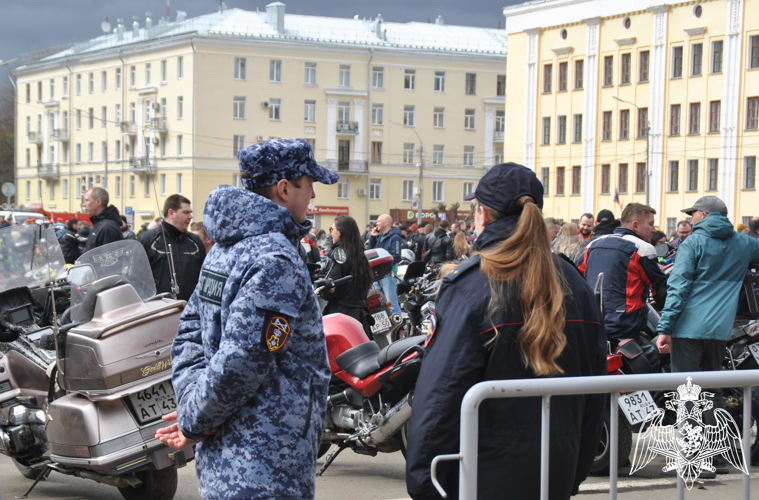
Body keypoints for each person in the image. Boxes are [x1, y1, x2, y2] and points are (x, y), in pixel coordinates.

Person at [406, 162, 606, 500]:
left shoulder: (471, 286)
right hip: (555, 473)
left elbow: (441, 395)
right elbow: (593, 391)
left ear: (483, 215)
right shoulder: (575, 282)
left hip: (484, 478)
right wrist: (574, 471)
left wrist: (426, 482)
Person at [157, 138, 338, 499]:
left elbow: (190, 334)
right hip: (266, 465)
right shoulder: (274, 259)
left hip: (231, 458)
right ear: (284, 189)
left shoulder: (226, 248)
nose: (314, 195)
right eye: (309, 184)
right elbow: (241, 360)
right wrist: (195, 419)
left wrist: (196, 410)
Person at [656, 196, 759, 476]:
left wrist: (665, 328)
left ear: (703, 214)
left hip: (688, 329)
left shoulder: (693, 243)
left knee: (688, 394)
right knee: (713, 391)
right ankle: (716, 458)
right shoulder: (744, 243)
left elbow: (678, 289)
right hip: (719, 331)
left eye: (692, 215)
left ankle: (695, 459)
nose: (689, 220)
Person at [579, 203, 667, 372]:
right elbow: (661, 291)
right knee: (653, 365)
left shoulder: (593, 245)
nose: (654, 229)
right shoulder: (642, 249)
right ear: (635, 225)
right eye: (650, 224)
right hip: (626, 329)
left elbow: (578, 278)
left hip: (594, 326)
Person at [138, 194, 206, 301]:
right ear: (171, 213)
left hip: (190, 310)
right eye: (186, 212)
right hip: (158, 311)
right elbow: (137, 280)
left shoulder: (195, 242)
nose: (190, 217)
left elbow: (204, 278)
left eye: (190, 213)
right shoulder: (147, 240)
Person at [319, 215, 374, 332]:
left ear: (339, 232)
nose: (330, 234)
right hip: (360, 316)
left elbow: (332, 290)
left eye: (331, 230)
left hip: (341, 317)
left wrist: (324, 287)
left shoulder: (339, 254)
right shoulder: (360, 254)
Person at [368, 214, 404, 317]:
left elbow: (396, 256)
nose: (376, 223)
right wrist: (373, 237)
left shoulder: (395, 237)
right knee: (381, 304)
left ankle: (400, 329)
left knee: (391, 304)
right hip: (377, 275)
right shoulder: (380, 237)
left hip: (388, 275)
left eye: (379, 221)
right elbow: (372, 252)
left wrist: (383, 264)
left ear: (386, 223)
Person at [82, 187, 123, 251]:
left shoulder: (107, 227)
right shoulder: (100, 224)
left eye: (87, 200)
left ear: (98, 202)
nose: (84, 204)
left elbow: (108, 258)